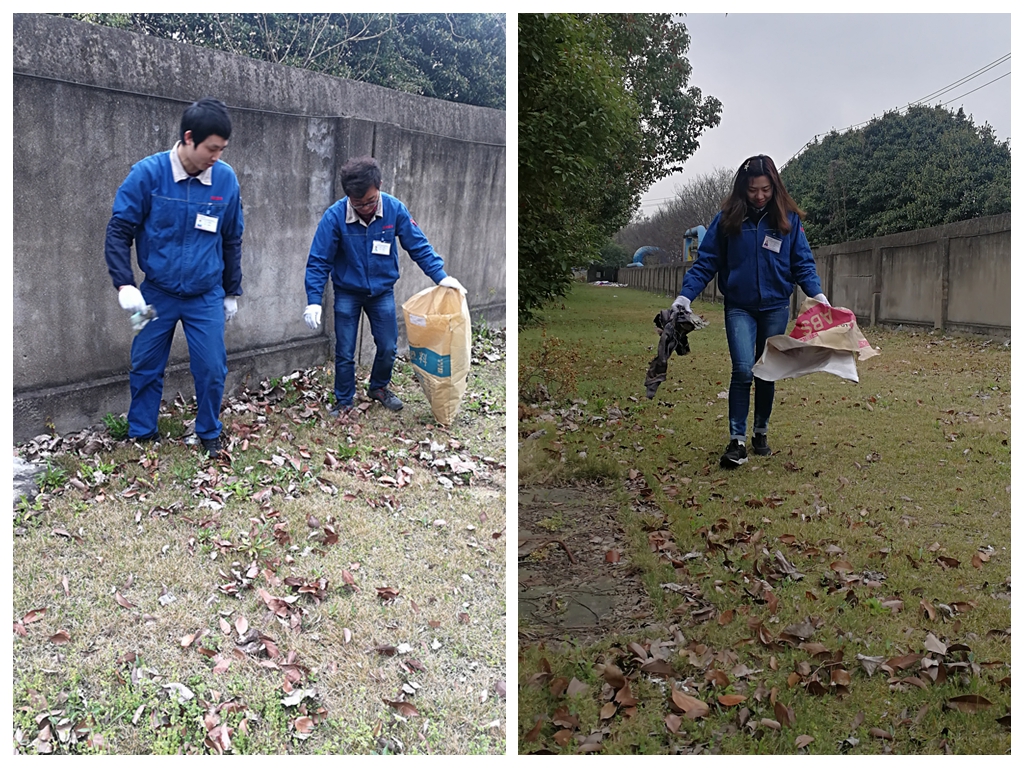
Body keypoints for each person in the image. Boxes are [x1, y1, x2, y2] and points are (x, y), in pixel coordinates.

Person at [105, 97, 244, 459]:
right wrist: (124, 282)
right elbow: (119, 229)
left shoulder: (225, 180)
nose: (216, 156)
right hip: (156, 293)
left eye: (222, 149)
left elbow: (232, 237)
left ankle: (209, 432)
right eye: (211, 149)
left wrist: (232, 290)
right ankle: (141, 432)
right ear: (188, 138)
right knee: (145, 363)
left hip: (205, 295)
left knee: (212, 367)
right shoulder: (147, 175)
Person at [672, 154, 827, 469]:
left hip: (775, 307)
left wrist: (818, 295)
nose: (759, 196)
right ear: (743, 188)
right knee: (743, 369)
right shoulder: (728, 218)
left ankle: (760, 432)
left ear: (774, 187)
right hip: (740, 307)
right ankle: (736, 441)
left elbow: (802, 263)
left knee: (767, 371)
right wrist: (685, 297)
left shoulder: (787, 220)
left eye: (766, 189)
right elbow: (707, 261)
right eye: (753, 189)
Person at [302, 156, 466, 416]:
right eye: (358, 204)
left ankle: (378, 387)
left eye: (370, 201)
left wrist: (441, 276)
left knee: (388, 346)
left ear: (379, 185)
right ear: (348, 197)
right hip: (347, 292)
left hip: (381, 292)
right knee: (345, 350)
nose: (365, 208)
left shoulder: (394, 209)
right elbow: (319, 260)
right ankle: (344, 400)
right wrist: (313, 300)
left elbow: (418, 245)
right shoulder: (334, 217)